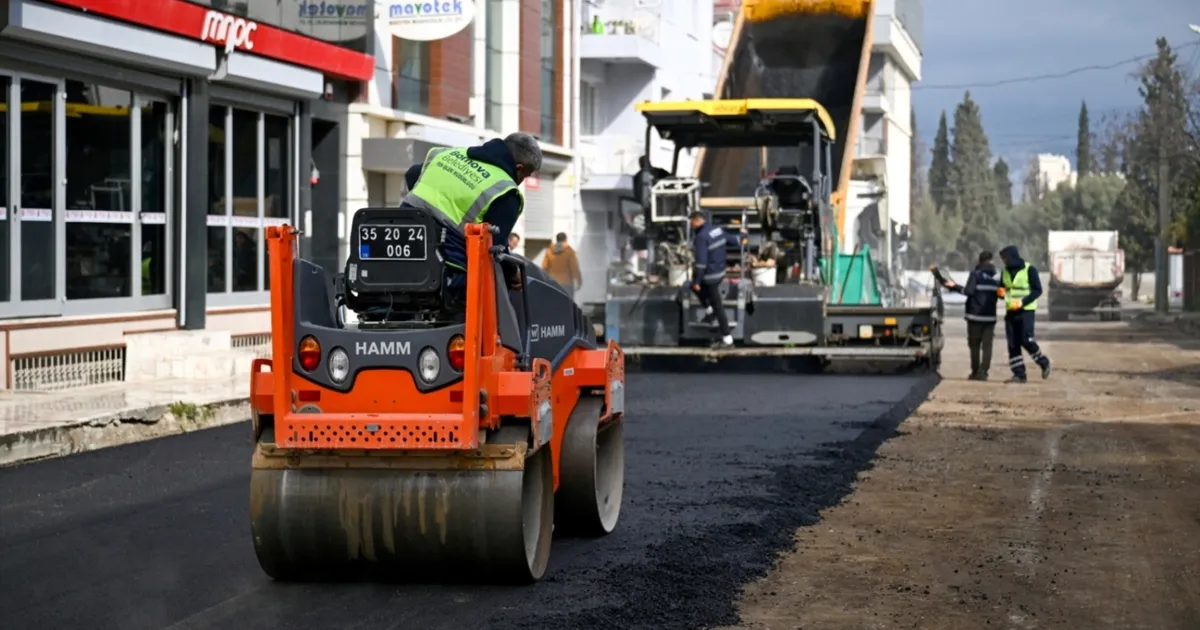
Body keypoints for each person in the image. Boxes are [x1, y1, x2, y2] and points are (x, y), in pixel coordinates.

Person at [402, 132, 542, 293]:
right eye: (524, 176)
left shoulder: (447, 154)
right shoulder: (505, 192)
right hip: (448, 271)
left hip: (401, 249)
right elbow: (496, 248)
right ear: (519, 169)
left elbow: (412, 174)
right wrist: (513, 274)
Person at [942, 251, 1002, 381]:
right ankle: (983, 372)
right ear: (991, 261)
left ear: (979, 261)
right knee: (987, 346)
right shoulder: (997, 278)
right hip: (990, 318)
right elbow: (1001, 295)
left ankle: (975, 372)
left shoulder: (975, 275)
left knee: (974, 345)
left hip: (974, 317)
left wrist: (954, 287)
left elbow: (968, 291)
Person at [688, 211, 742, 349]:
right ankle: (710, 312)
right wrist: (744, 235)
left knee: (716, 305)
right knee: (693, 286)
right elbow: (735, 240)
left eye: (692, 221)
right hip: (720, 273)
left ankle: (728, 340)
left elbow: (701, 263)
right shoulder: (717, 230)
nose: (690, 224)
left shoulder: (701, 237)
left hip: (710, 276)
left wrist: (698, 281)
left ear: (698, 221)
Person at [998, 245, 1052, 383]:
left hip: (1026, 311)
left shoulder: (1030, 269)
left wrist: (1022, 302)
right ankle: (1019, 374)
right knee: (1012, 343)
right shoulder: (1004, 272)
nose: (1004, 261)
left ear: (1012, 257)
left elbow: (1037, 290)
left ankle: (1043, 362)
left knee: (1026, 339)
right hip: (1011, 311)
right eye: (1003, 259)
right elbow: (1002, 288)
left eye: (1005, 258)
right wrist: (1000, 292)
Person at [541, 232, 582, 300]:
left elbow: (544, 268)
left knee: (553, 304)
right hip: (566, 284)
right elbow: (574, 268)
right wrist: (579, 281)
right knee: (567, 305)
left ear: (557, 240)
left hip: (552, 284)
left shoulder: (549, 251)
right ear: (565, 239)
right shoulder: (569, 251)